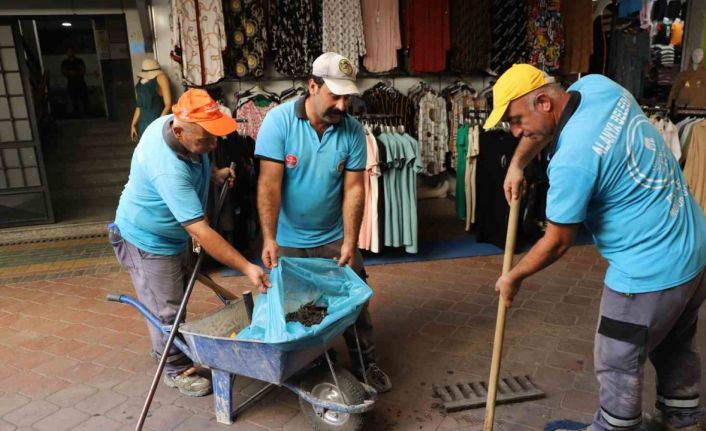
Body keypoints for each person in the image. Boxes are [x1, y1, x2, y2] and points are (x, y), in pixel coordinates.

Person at [486, 64, 706, 431]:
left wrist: (514, 277)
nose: (515, 131)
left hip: (647, 272)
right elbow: (543, 128)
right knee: (675, 340)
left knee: (617, 357)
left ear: (543, 102)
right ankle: (683, 421)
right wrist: (518, 164)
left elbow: (557, 242)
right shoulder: (598, 87)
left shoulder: (572, 162)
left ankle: (614, 427)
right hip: (693, 244)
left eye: (516, 120)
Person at [110, 89, 270, 397]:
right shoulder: (167, 167)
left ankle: (165, 345)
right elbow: (202, 232)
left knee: (177, 294)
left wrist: (214, 174)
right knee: (167, 308)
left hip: (176, 235)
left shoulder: (180, 130)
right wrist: (247, 267)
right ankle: (174, 367)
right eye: (205, 141)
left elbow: (197, 159)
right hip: (147, 241)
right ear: (180, 132)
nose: (212, 146)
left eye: (214, 138)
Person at [255, 52, 391, 392]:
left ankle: (365, 364)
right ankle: (313, 364)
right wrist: (269, 238)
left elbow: (354, 189)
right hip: (288, 238)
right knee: (299, 307)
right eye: (335, 96)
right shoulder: (278, 122)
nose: (343, 106)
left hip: (333, 235)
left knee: (355, 302)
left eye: (347, 98)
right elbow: (269, 185)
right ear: (312, 86)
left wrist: (350, 241)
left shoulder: (352, 131)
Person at [131, 58, 172, 143]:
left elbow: (168, 104)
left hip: (156, 119)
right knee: (145, 147)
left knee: (157, 145)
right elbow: (139, 106)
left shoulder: (161, 77)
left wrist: (158, 124)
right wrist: (133, 124)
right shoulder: (141, 80)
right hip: (142, 123)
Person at [61, 48, 90, 116]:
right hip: (71, 83)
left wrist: (75, 73)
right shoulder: (65, 62)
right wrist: (70, 73)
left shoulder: (79, 61)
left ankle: (86, 113)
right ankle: (76, 113)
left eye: (72, 51)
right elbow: (64, 72)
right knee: (73, 99)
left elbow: (83, 70)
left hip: (80, 82)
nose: (70, 53)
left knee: (84, 98)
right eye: (69, 51)